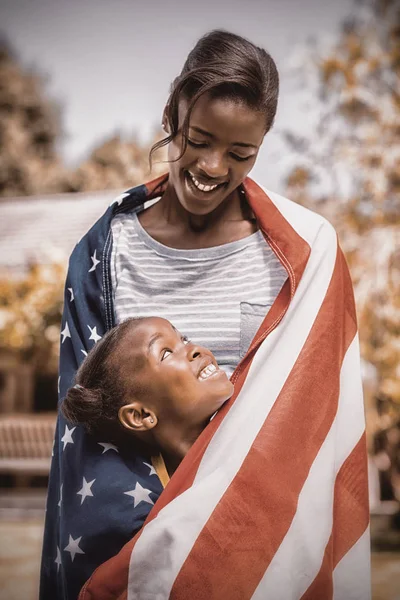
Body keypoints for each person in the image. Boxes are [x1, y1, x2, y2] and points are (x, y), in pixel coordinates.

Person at [40, 29, 370, 600]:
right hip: (140, 553)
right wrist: (163, 560)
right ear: (173, 113)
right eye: (199, 139)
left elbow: (310, 420)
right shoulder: (105, 253)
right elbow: (90, 423)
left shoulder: (302, 254)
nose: (214, 167)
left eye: (241, 153)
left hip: (260, 547)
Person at [60, 316, 234, 481]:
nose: (195, 350)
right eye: (166, 353)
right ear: (140, 416)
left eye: (185, 340)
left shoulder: (250, 429)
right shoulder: (152, 508)